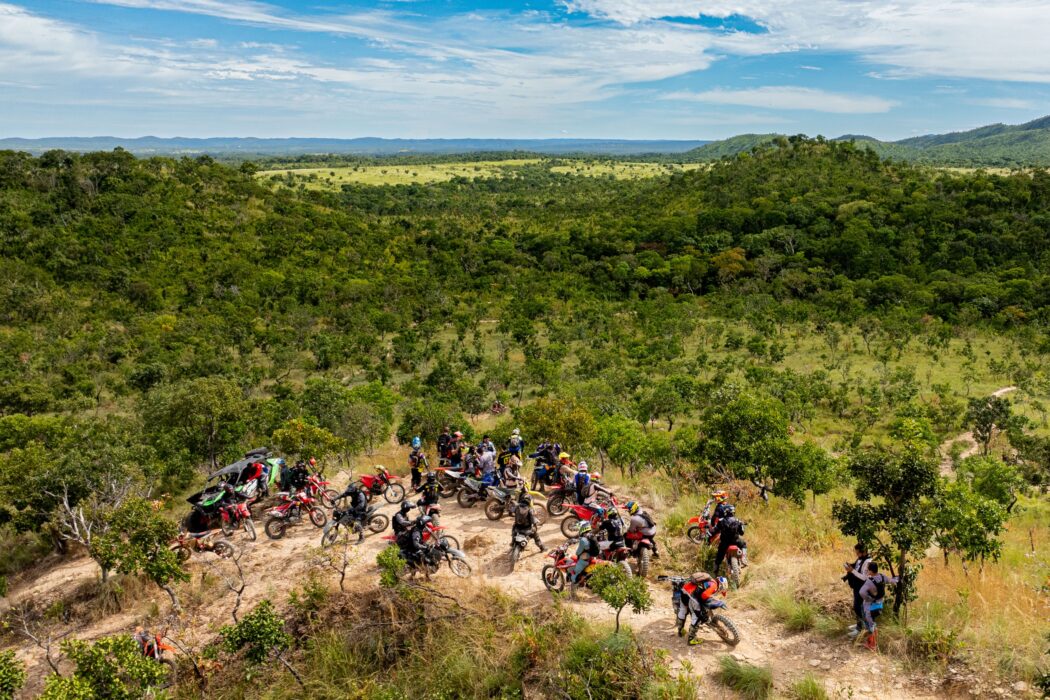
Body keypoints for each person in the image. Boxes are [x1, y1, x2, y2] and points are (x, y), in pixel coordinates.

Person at [857, 562, 897, 650]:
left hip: (870, 607)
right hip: (879, 605)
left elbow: (861, 592)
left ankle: (873, 645)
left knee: (871, 625)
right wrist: (897, 579)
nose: (867, 571)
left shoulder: (869, 582)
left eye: (868, 569)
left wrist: (868, 598)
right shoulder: (882, 577)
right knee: (872, 624)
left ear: (871, 571)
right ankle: (870, 642)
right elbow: (891, 581)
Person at [677, 572, 724, 646]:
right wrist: (716, 602)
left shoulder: (709, 579)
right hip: (691, 594)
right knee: (697, 616)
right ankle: (691, 639)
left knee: (683, 610)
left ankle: (680, 631)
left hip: (685, 589)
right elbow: (704, 596)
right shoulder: (714, 585)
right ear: (721, 586)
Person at [843, 543, 872, 639]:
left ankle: (860, 628)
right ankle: (859, 624)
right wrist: (850, 567)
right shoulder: (860, 559)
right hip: (857, 586)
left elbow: (864, 577)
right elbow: (856, 567)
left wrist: (852, 571)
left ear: (864, 552)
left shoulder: (868, 562)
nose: (857, 555)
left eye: (858, 553)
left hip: (862, 587)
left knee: (858, 607)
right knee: (857, 606)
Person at [710, 504, 745, 572]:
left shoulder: (721, 521)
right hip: (736, 541)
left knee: (719, 555)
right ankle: (743, 558)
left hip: (725, 542)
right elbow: (742, 533)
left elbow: (715, 530)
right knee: (744, 544)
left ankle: (716, 569)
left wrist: (710, 532)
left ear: (725, 512)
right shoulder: (737, 520)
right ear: (733, 512)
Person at [570, 521, 601, 593]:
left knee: (574, 573)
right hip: (592, 557)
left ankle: (572, 594)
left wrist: (577, 554)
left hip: (584, 561)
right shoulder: (592, 535)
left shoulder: (583, 540)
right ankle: (583, 580)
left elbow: (578, 552)